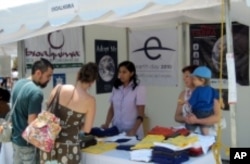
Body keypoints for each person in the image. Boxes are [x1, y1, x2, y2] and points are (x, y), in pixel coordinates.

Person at [40, 62, 98, 164]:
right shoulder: (90, 101)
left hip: (48, 143)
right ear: (92, 82)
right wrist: (75, 125)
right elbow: (87, 128)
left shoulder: (58, 88)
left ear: (78, 74)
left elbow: (48, 112)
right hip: (69, 148)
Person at [11, 58, 53, 164]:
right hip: (28, 145)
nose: (49, 79)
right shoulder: (36, 92)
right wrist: (48, 120)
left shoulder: (18, 84)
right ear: (38, 73)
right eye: (48, 76)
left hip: (16, 141)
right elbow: (32, 122)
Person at [102, 61, 146, 139]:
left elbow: (141, 115)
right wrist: (106, 124)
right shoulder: (116, 88)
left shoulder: (139, 88)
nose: (121, 75)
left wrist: (133, 130)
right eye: (119, 72)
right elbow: (112, 109)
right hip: (117, 130)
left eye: (124, 72)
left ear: (131, 73)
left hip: (133, 132)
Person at [175, 65, 220, 136]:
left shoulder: (211, 92)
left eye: (187, 76)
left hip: (208, 134)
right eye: (183, 76)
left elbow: (217, 117)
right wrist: (187, 119)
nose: (184, 79)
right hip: (188, 134)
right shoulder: (183, 94)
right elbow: (177, 117)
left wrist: (197, 121)